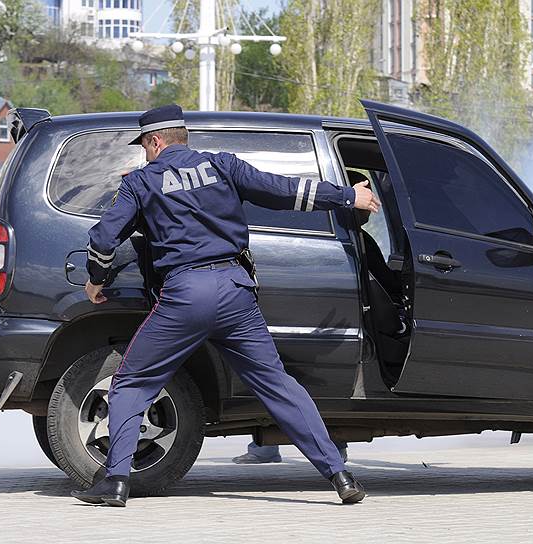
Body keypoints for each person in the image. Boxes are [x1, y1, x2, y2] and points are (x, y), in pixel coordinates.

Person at [71, 104, 381, 507]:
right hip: (236, 290)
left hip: (185, 294)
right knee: (277, 385)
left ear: (155, 141)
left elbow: (103, 239)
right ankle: (339, 476)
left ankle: (115, 483)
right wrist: (346, 196)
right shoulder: (223, 165)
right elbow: (285, 190)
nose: (145, 154)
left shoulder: (141, 183)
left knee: (133, 381)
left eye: (145, 147)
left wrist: (96, 280)